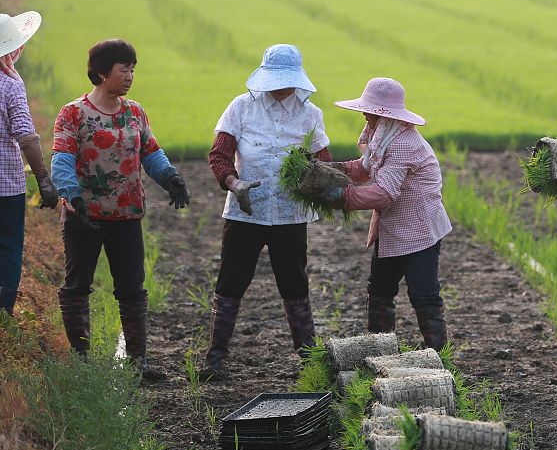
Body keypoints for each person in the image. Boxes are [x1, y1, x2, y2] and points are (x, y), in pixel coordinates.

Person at [51, 39, 190, 379]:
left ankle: (138, 362)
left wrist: (170, 177)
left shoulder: (135, 112)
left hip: (127, 214)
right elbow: (62, 159)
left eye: (132, 69)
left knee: (132, 288)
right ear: (101, 73)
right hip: (84, 215)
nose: (129, 76)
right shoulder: (74, 113)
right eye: (123, 69)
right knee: (77, 285)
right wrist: (74, 197)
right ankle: (82, 361)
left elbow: (151, 152)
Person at [202, 44, 334, 381]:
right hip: (245, 211)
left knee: (294, 283)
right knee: (231, 281)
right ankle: (215, 358)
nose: (281, 87)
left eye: (287, 81)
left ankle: (309, 359)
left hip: (289, 215)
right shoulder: (241, 108)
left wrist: (315, 178)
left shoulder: (310, 114)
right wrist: (234, 183)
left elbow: (325, 162)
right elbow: (219, 155)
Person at [317, 78, 452, 350]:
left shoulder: (403, 142)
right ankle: (379, 353)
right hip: (392, 226)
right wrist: (333, 170)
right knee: (379, 290)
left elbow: (384, 192)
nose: (365, 114)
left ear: (384, 113)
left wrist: (344, 198)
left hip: (419, 230)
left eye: (370, 110)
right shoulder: (383, 133)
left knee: (424, 295)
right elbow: (366, 169)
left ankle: (440, 359)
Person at [0, 11, 58, 315]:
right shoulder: (11, 86)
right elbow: (27, 137)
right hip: (6, 186)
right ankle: (3, 312)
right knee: (8, 247)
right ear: (13, 50)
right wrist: (44, 180)